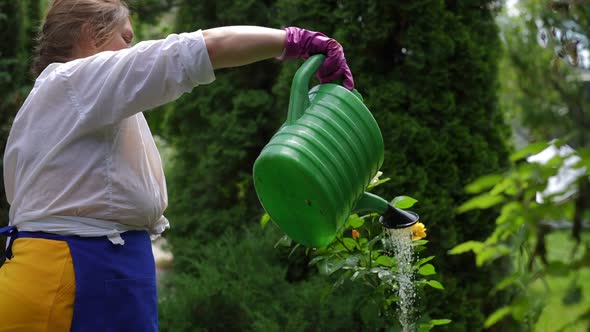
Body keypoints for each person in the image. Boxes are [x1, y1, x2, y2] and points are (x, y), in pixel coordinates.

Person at [0, 0, 354, 331]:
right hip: (75, 275)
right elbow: (196, 51)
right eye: (126, 38)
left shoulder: (66, 97)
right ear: (91, 35)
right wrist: (295, 41)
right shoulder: (74, 81)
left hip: (86, 270)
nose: (131, 50)